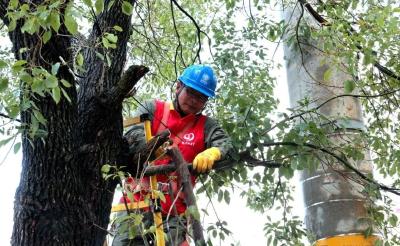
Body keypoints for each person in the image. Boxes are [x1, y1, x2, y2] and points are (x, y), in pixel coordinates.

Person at [112, 64, 233, 246]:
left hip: (175, 215)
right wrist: (151, 148)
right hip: (136, 205)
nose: (194, 100)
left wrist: (215, 152)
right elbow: (131, 135)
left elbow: (226, 145)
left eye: (201, 97)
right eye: (191, 92)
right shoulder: (153, 108)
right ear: (178, 87)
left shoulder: (207, 126)